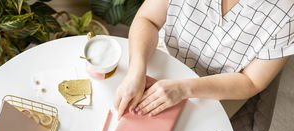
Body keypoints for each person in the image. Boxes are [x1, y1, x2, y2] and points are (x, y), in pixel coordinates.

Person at [114, 0, 294, 119]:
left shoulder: (288, 12)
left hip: (219, 89)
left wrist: (183, 88)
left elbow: (252, 81)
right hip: (162, 58)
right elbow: (148, 19)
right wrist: (136, 70)